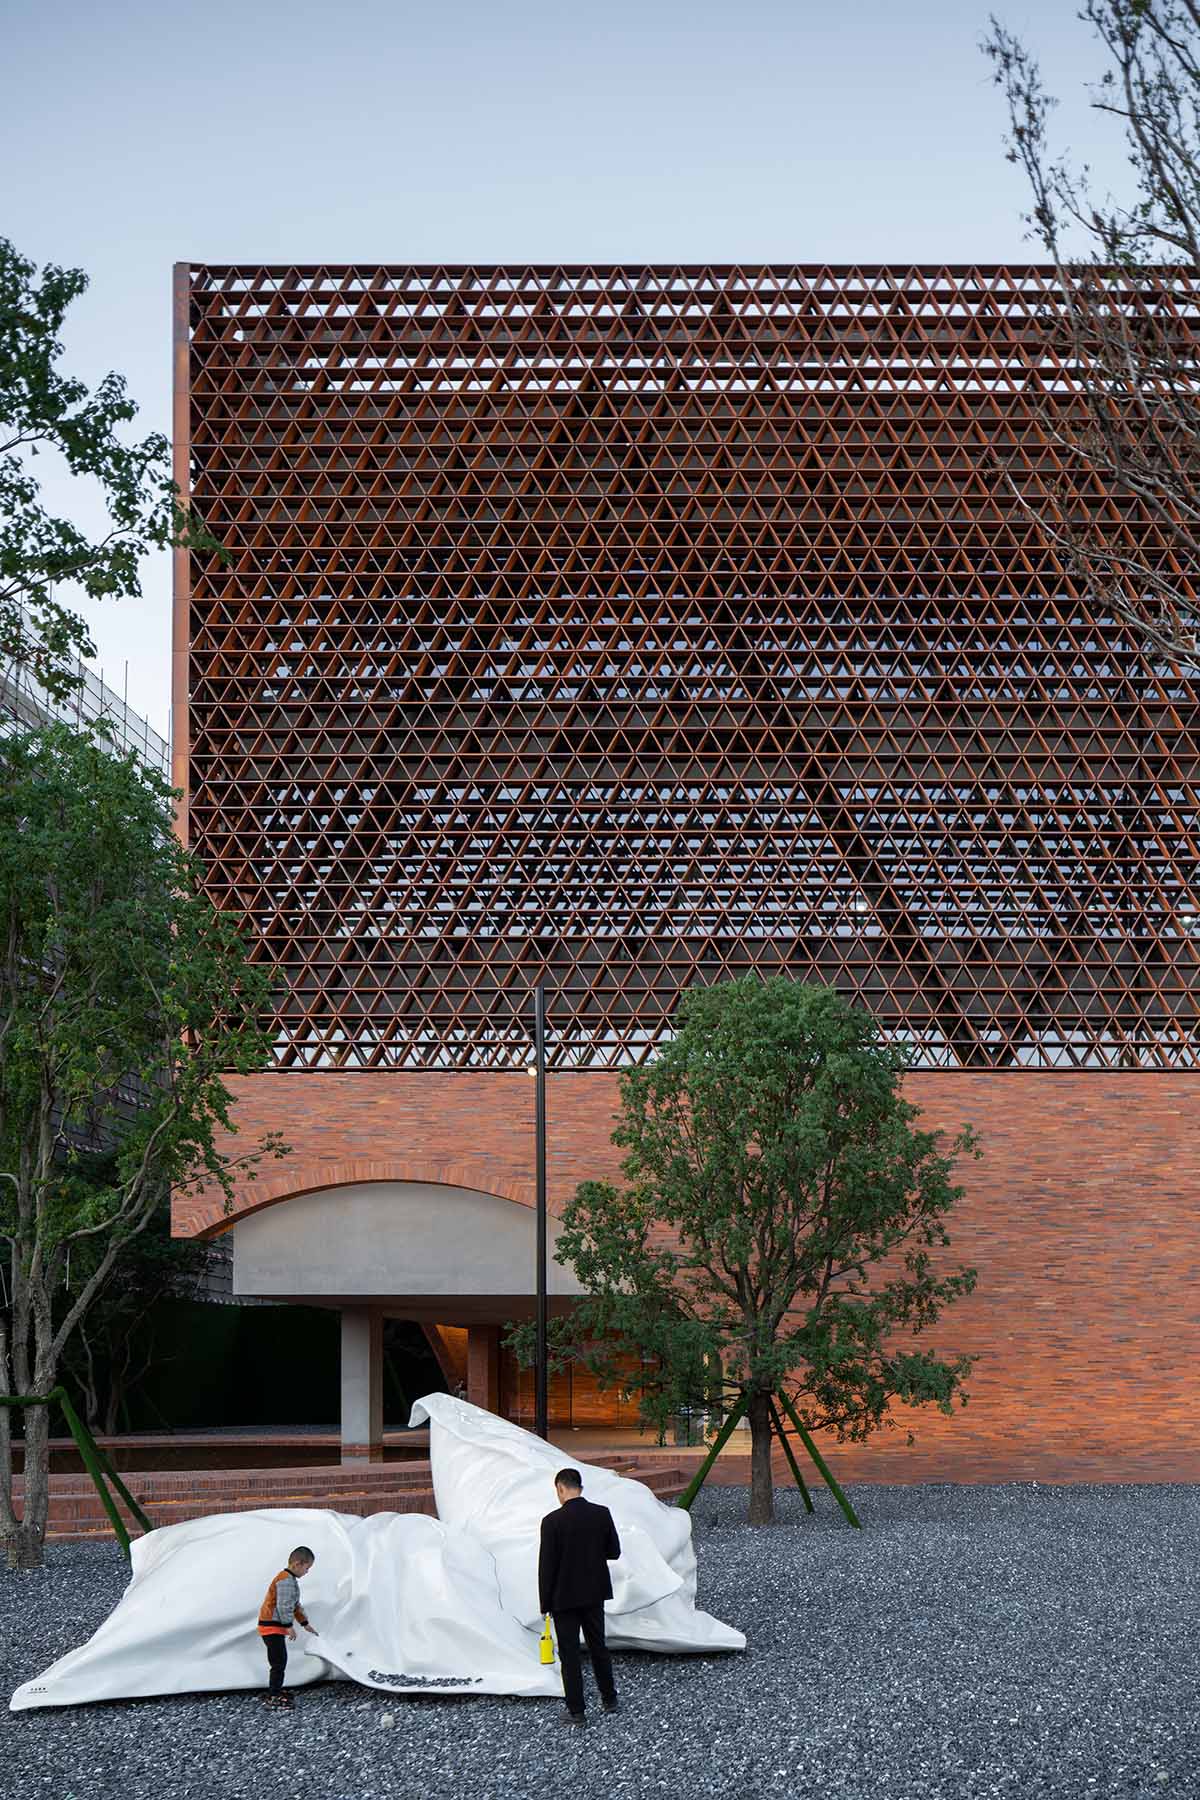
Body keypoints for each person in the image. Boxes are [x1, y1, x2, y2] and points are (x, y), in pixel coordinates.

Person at [538, 1467, 622, 1727]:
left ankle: (577, 1711)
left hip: (564, 1597)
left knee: (570, 1654)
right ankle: (609, 1699)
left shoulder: (551, 1522)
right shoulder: (601, 1514)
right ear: (580, 1487)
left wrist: (545, 1603)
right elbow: (614, 1552)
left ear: (560, 1489)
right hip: (594, 1592)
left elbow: (546, 1567)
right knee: (599, 1646)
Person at [257, 1545, 319, 1709]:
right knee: (278, 1662)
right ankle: (273, 1696)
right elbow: (284, 1606)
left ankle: (275, 1690)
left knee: (279, 1661)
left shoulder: (289, 1580)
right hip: (271, 1627)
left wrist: (305, 1624)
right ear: (298, 1564)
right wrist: (288, 1626)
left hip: (275, 1626)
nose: (307, 1572)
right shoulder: (285, 1580)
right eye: (307, 1567)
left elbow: (295, 1605)